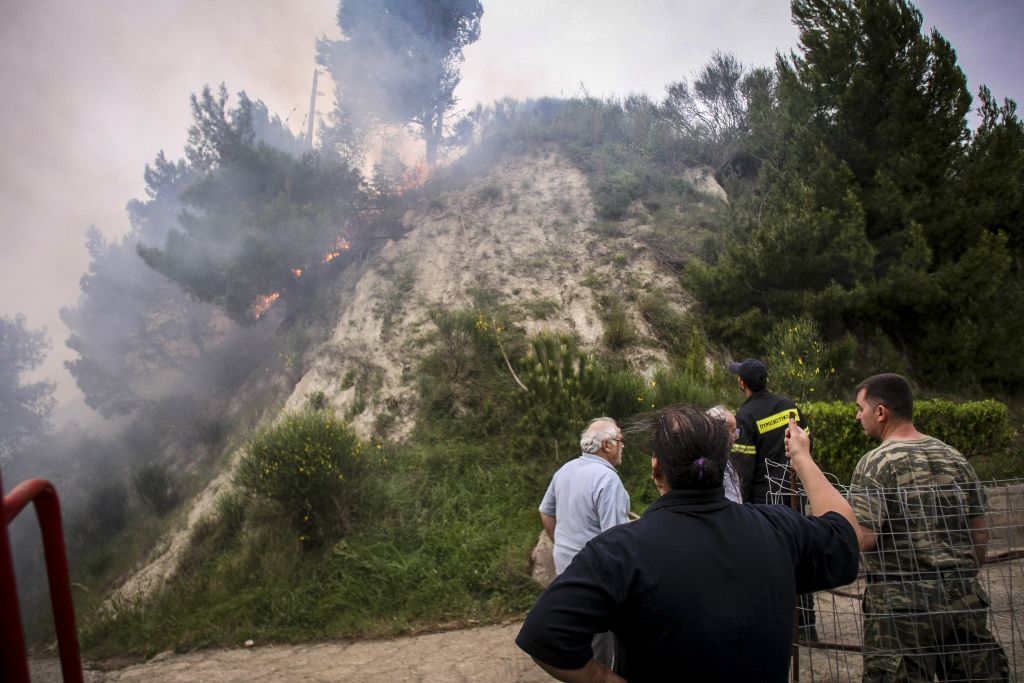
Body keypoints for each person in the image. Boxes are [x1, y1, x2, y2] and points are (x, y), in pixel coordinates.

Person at [516, 405, 860, 682]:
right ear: (724, 466)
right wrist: (801, 458)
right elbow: (845, 532)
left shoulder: (619, 551)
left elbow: (546, 635)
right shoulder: (779, 528)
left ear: (655, 469)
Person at [849, 373, 1008, 682]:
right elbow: (979, 532)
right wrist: (957, 576)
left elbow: (865, 538)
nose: (858, 416)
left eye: (860, 408)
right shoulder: (954, 458)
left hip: (900, 610)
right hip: (962, 598)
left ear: (880, 412)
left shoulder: (876, 463)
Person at [538, 417, 631, 670]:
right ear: (608, 446)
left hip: (564, 570)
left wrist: (562, 545)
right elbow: (615, 539)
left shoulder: (565, 470)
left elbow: (546, 512)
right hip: (595, 578)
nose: (624, 446)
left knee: (575, 638)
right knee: (601, 649)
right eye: (621, 441)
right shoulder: (608, 480)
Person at [729, 358, 806, 504]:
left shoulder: (745, 417)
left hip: (765, 504)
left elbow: (743, 469)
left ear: (742, 383)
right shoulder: (789, 406)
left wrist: (740, 507)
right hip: (796, 494)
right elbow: (807, 443)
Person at [706, 405, 742, 503]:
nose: (736, 436)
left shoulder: (725, 459)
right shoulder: (712, 464)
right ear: (719, 432)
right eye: (733, 431)